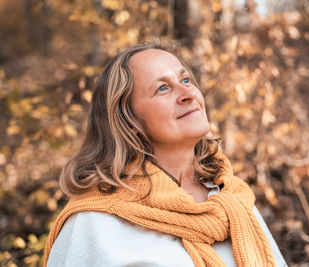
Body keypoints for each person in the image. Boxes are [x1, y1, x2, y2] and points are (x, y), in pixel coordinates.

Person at [43, 43, 287, 267]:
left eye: (186, 80)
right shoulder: (94, 223)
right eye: (163, 88)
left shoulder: (232, 197)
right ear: (128, 121)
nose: (187, 93)